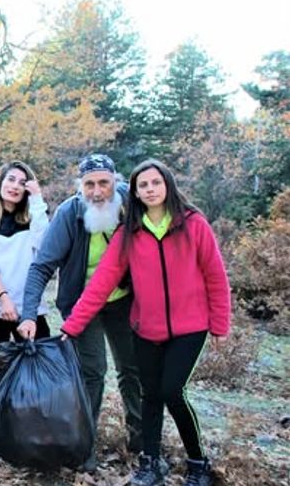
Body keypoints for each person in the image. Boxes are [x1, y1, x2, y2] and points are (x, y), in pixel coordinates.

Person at [61, 159, 230, 486]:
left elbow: (215, 276)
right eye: (143, 185)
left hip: (190, 328)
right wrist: (73, 325)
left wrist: (220, 325)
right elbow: (101, 283)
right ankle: (150, 463)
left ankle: (198, 463)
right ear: (134, 193)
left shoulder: (193, 224)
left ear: (167, 185)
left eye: (156, 183)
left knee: (172, 391)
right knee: (149, 394)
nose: (150, 190)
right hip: (145, 328)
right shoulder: (130, 233)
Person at [19, 153, 143, 470]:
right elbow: (41, 267)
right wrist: (29, 313)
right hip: (82, 306)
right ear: (80, 186)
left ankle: (140, 442)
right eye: (89, 184)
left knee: (132, 370)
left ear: (116, 181)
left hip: (124, 300)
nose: (97, 191)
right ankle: (83, 446)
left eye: (104, 183)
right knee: (92, 373)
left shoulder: (132, 204)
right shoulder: (69, 214)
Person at [0, 161, 51, 361]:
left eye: (22, 183)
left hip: (30, 308)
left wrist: (38, 199)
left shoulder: (32, 221)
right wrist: (3, 299)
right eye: (11, 179)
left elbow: (45, 245)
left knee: (41, 369)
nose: (15, 186)